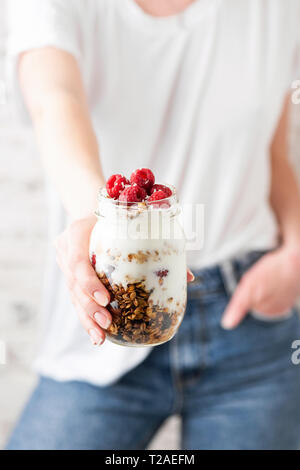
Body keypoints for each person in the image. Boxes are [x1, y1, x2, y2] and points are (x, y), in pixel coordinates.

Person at [5, 0, 300, 450]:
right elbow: (54, 101)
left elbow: (273, 154)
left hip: (250, 311)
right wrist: (99, 218)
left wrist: (296, 252)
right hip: (110, 309)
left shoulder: (276, 10)